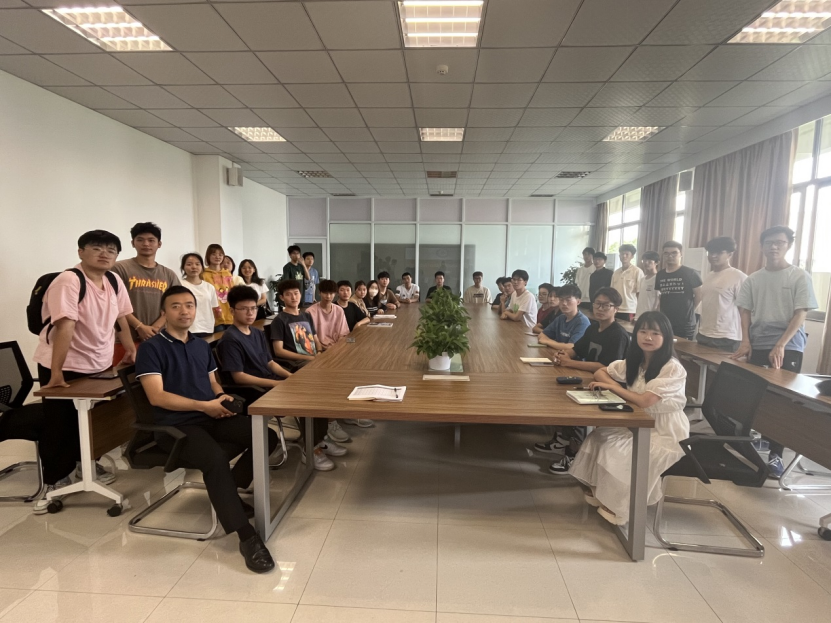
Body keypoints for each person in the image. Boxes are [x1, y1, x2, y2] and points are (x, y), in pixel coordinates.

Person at [136, 286, 278, 572]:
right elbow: (157, 397)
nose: (184, 311)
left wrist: (220, 397)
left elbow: (213, 381)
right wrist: (204, 406)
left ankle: (228, 493)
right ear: (164, 313)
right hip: (175, 427)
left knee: (266, 436)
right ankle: (247, 537)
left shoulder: (201, 345)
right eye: (176, 306)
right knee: (215, 459)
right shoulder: (151, 348)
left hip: (210, 415)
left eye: (189, 305)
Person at [33, 230, 135, 513]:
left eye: (111, 250)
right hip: (64, 365)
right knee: (59, 423)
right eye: (97, 247)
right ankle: (55, 479)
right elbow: (65, 326)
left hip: (99, 361)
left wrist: (129, 348)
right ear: (81, 251)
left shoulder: (113, 279)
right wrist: (56, 372)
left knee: (93, 419)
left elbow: (122, 317)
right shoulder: (69, 280)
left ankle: (85, 464)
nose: (104, 253)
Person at [565, 311, 688, 527]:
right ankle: (603, 493)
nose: (648, 337)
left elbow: (645, 401)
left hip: (664, 432)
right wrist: (611, 383)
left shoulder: (672, 367)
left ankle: (621, 507)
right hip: (636, 423)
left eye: (655, 333)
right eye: (643, 331)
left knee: (621, 453)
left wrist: (613, 388)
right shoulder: (635, 361)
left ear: (666, 337)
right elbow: (601, 372)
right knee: (599, 437)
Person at [733, 226, 818, 478]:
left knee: (781, 399)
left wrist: (781, 344)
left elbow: (801, 313)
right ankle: (763, 438)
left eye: (779, 242)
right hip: (759, 342)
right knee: (758, 396)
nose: (774, 247)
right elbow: (745, 311)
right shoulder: (753, 279)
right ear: (762, 246)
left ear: (788, 245)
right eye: (769, 242)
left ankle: (776, 455)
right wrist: (745, 341)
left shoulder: (799, 276)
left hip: (788, 344)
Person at [541, 288, 632, 473]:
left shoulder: (618, 334)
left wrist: (570, 362)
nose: (600, 309)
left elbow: (605, 366)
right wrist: (564, 355)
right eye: (597, 304)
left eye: (606, 305)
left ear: (616, 308)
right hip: (588, 379)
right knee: (557, 393)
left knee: (577, 407)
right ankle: (562, 440)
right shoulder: (593, 327)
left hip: (608, 387)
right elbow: (577, 350)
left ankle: (574, 455)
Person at [271, 279, 351, 449]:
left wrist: (320, 353)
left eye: (296, 293)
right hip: (296, 364)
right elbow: (278, 351)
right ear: (282, 297)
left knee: (341, 373)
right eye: (288, 294)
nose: (293, 297)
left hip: (313, 360)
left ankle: (323, 436)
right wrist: (310, 359)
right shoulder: (279, 320)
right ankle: (314, 445)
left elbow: (315, 340)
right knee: (323, 389)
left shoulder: (305, 315)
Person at [112, 222, 179, 364]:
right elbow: (115, 303)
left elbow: (176, 304)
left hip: (159, 339)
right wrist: (139, 327)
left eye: (151, 240)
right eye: (140, 240)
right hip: (125, 340)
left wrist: (155, 328)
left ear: (159, 244)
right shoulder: (119, 269)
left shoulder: (169, 274)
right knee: (125, 376)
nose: (146, 244)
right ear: (133, 243)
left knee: (157, 375)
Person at [697, 237, 747, 352]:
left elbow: (745, 310)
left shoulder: (739, 277)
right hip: (704, 334)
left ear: (730, 254)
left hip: (727, 337)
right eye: (710, 252)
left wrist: (746, 340)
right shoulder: (709, 276)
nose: (713, 256)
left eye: (719, 252)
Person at [655, 241, 702, 340]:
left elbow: (699, 295)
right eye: (666, 253)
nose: (670, 256)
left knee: (682, 349)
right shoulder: (660, 274)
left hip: (685, 323)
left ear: (681, 254)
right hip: (665, 321)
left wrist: (689, 310)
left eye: (674, 253)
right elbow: (660, 297)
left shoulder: (690, 273)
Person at [538, 284, 591, 354]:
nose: (564, 303)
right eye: (561, 300)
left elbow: (571, 347)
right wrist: (558, 345)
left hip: (573, 359)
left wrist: (548, 341)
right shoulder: (560, 318)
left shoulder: (582, 322)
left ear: (578, 301)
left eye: (568, 300)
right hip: (558, 355)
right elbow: (542, 335)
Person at [179, 253, 221, 337]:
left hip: (207, 328)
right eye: (189, 264)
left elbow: (214, 308)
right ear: (183, 267)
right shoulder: (179, 285)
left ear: (202, 267)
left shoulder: (209, 287)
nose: (194, 267)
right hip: (187, 328)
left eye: (197, 264)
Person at [307, 280, 350, 350]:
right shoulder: (310, 312)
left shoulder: (339, 310)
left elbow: (343, 334)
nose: (328, 296)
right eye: (325, 293)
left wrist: (337, 347)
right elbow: (309, 337)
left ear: (335, 294)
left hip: (337, 347)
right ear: (319, 293)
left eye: (331, 293)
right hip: (318, 349)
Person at [202, 244, 235, 331]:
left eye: (220, 254)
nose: (217, 257)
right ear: (208, 256)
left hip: (229, 314)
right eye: (214, 254)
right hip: (214, 315)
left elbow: (233, 292)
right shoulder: (203, 274)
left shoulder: (227, 273)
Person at [610, 244, 643, 321]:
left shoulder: (637, 271)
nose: (624, 256)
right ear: (619, 256)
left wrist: (639, 312)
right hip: (616, 309)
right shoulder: (616, 272)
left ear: (632, 256)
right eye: (622, 254)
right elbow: (612, 292)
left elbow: (640, 294)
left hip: (630, 310)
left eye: (627, 254)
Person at [634, 251, 660, 320]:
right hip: (639, 315)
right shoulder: (642, 279)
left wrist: (654, 315)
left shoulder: (658, 278)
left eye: (649, 261)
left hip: (651, 317)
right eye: (644, 260)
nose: (646, 263)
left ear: (656, 263)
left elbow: (658, 300)